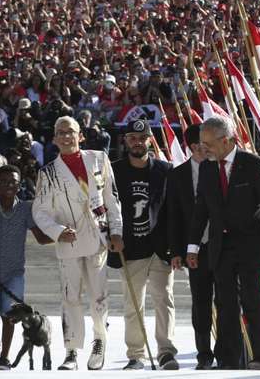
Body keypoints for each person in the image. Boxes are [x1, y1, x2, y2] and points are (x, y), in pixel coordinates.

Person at [187, 116, 260, 370]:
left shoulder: (253, 163)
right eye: (201, 143)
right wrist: (193, 246)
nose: (203, 148)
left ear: (226, 140)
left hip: (251, 243)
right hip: (221, 245)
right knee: (225, 302)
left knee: (252, 298)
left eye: (208, 143)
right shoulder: (207, 168)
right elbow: (201, 209)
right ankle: (228, 359)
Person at [32, 115, 122, 371]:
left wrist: (116, 231)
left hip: (98, 238)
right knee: (70, 297)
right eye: (60, 132)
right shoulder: (47, 173)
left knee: (99, 296)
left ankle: (99, 341)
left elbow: (112, 198)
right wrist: (58, 231)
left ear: (80, 135)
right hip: (68, 241)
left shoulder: (99, 159)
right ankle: (72, 350)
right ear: (54, 139)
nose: (66, 136)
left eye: (70, 131)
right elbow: (40, 211)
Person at [110, 118, 176, 370]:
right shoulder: (114, 170)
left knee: (164, 300)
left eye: (142, 138)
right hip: (130, 248)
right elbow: (107, 208)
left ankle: (166, 351)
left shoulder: (165, 169)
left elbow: (172, 210)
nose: (137, 142)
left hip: (159, 248)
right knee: (132, 304)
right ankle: (136, 354)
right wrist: (110, 236)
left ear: (150, 140)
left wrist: (175, 246)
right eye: (132, 138)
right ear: (125, 141)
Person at [0, 165, 43, 369]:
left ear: (19, 185)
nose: (9, 185)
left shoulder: (25, 208)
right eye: (4, 181)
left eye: (13, 182)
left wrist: (62, 236)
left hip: (15, 272)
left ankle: (4, 356)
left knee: (10, 315)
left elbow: (40, 236)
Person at [166, 124, 218, 369]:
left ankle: (229, 352)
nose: (204, 149)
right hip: (193, 250)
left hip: (223, 245)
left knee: (228, 301)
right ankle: (204, 354)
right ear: (192, 147)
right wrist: (176, 251)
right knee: (201, 302)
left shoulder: (221, 168)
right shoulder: (177, 175)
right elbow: (173, 216)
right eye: (200, 146)